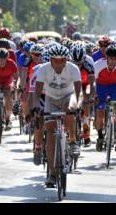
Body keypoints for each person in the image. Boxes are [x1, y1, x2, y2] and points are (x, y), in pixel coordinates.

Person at [34, 44, 81, 187]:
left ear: (66, 60)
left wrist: (77, 106)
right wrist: (36, 107)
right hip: (51, 98)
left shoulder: (73, 69)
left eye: (62, 60)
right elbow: (37, 92)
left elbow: (79, 91)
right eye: (56, 60)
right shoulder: (43, 69)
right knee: (50, 132)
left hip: (69, 96)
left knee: (70, 110)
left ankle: (72, 141)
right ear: (51, 60)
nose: (59, 63)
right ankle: (52, 175)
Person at [69, 42, 95, 146]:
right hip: (72, 84)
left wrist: (91, 96)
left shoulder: (88, 64)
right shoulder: (67, 64)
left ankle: (85, 126)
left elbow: (91, 84)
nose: (78, 65)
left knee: (86, 98)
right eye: (75, 63)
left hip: (85, 84)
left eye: (80, 63)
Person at [0, 48, 19, 130]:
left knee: (8, 96)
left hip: (8, 79)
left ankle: (8, 119)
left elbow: (16, 76)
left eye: (4, 59)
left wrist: (15, 84)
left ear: (7, 57)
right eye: (0, 59)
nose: (2, 61)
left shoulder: (11, 63)